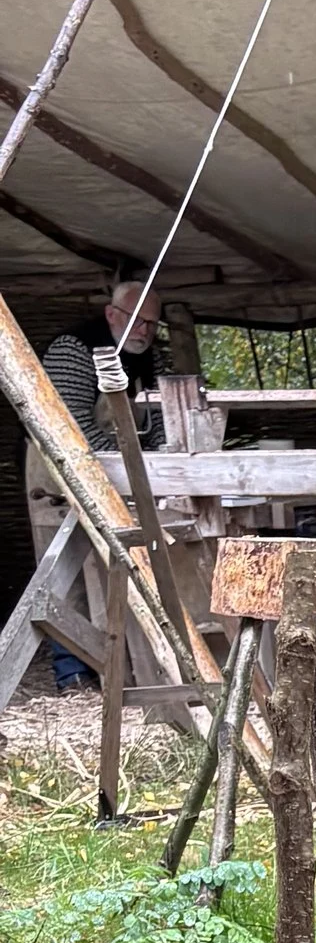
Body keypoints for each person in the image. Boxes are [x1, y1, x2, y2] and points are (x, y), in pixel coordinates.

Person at [29, 274, 160, 689]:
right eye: (137, 320)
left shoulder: (150, 357)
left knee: (112, 576)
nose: (144, 331)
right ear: (111, 314)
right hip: (59, 479)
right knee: (68, 580)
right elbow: (71, 425)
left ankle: (125, 671)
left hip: (120, 477)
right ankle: (73, 677)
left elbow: (157, 419)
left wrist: (158, 461)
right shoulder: (75, 349)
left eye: (152, 324)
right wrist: (132, 465)